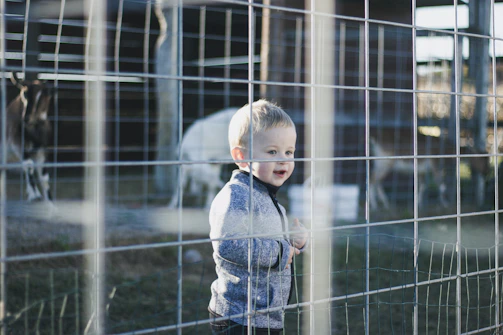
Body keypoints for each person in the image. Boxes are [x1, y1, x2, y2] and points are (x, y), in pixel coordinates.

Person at [208, 99, 308, 334]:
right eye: (272, 151)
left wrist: (296, 240)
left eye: (289, 151)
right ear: (242, 157)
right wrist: (281, 252)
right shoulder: (237, 195)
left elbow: (275, 241)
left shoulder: (266, 195)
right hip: (239, 316)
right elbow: (229, 246)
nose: (283, 159)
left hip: (266, 314)